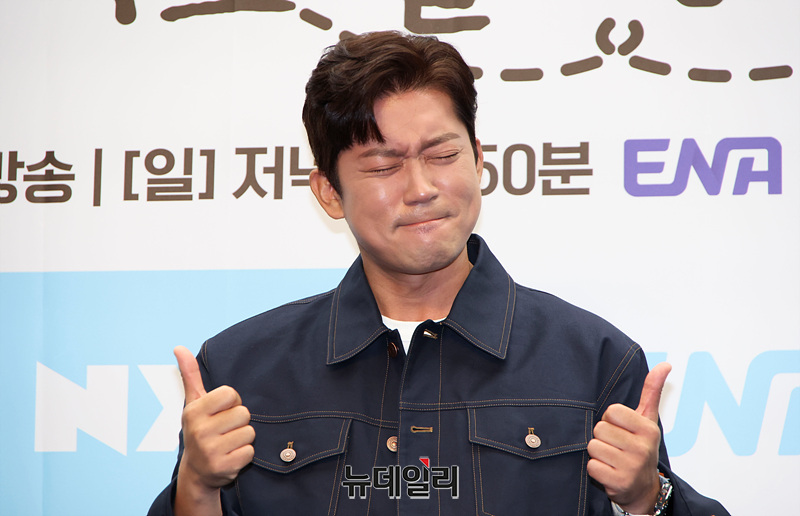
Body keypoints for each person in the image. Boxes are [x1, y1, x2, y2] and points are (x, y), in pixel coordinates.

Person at [149, 31, 729, 515]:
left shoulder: (595, 362)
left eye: (443, 155)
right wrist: (196, 490)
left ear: (478, 160)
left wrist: (648, 500)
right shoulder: (241, 372)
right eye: (384, 164)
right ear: (328, 192)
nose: (421, 188)